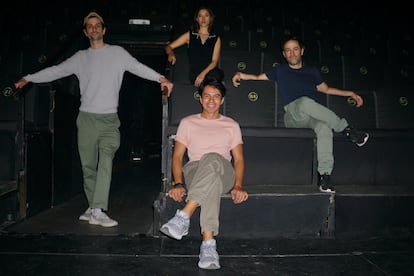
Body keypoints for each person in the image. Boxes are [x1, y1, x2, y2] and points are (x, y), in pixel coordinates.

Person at [14, 11, 173, 227]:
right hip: (86, 119)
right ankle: (92, 207)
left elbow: (138, 67)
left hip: (109, 120)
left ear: (104, 30)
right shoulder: (80, 58)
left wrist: (161, 78)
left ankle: (98, 209)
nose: (94, 28)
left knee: (105, 162)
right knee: (88, 167)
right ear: (86, 32)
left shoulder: (117, 53)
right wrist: (29, 78)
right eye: (90, 26)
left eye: (98, 25)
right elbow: (56, 71)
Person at [231, 36, 369, 193]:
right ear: (284, 54)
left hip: (311, 116)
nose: (292, 53)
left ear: (302, 51)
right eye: (288, 50)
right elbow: (257, 77)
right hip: (292, 115)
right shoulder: (280, 70)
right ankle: (347, 130)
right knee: (304, 102)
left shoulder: (312, 72)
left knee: (324, 128)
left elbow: (327, 89)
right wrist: (241, 75)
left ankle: (324, 176)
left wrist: (350, 93)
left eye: (295, 49)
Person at [159, 74, 248, 270]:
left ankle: (183, 216)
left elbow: (239, 159)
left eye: (216, 96)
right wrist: (178, 183)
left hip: (224, 171)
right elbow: (177, 157)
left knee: (213, 158)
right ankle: (208, 245)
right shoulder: (188, 122)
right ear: (200, 98)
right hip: (194, 171)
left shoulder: (231, 125)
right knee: (211, 182)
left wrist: (238, 185)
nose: (211, 100)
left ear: (222, 100)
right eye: (207, 96)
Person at [165, 6, 221, 87]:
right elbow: (168, 47)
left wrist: (203, 74)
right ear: (197, 19)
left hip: (211, 73)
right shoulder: (190, 35)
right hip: (195, 73)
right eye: (200, 16)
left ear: (210, 18)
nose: (203, 18)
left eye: (206, 15)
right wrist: (170, 53)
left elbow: (214, 61)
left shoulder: (216, 38)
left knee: (213, 82)